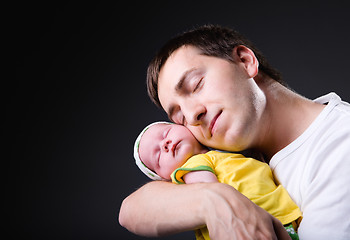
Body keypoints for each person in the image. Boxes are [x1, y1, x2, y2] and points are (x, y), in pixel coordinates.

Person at [119, 25, 350, 239]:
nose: (192, 116)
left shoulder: (340, 148)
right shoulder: (235, 160)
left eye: (196, 84)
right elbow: (129, 211)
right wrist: (214, 200)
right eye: (179, 117)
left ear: (245, 61)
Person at [134, 121, 301, 240]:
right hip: (257, 227)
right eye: (157, 156)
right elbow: (209, 189)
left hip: (279, 220)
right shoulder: (193, 166)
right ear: (164, 177)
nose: (165, 144)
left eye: (166, 133)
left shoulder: (220, 155)